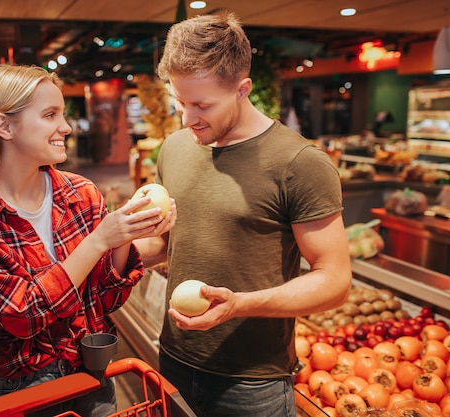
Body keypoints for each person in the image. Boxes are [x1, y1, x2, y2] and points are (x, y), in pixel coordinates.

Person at [134, 12, 352, 417]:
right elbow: (164, 243)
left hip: (252, 382)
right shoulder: (176, 148)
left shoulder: (299, 162)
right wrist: (108, 244)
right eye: (179, 102)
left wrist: (239, 304)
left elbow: (335, 281)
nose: (187, 118)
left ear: (242, 89)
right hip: (172, 360)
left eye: (202, 104)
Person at [0, 64, 175, 416]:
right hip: (20, 391)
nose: (66, 126)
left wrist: (122, 237)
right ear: (4, 126)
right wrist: (97, 241)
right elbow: (23, 315)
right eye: (50, 115)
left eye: (63, 114)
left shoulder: (82, 193)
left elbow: (105, 301)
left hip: (94, 378)